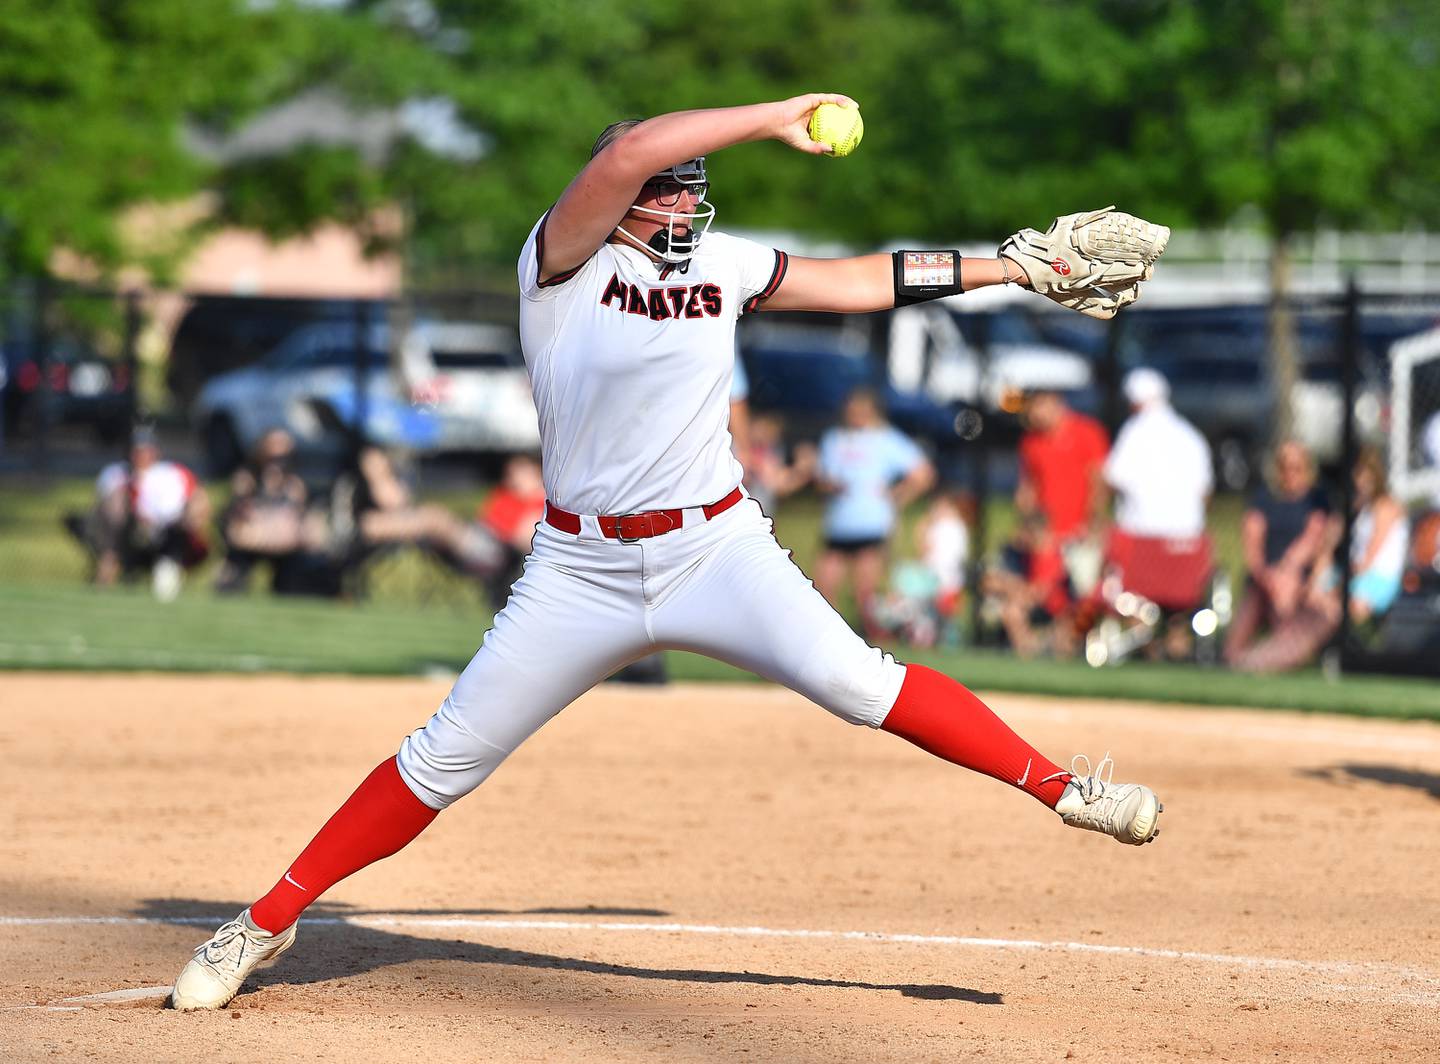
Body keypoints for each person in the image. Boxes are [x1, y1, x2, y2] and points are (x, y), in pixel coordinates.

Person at [170, 95, 1166, 1011]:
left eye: (694, 187)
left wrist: (1012, 267)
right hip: (580, 570)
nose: (687, 199)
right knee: (444, 758)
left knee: (866, 682)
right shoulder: (563, 261)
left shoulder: (722, 267)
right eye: (669, 186)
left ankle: (1067, 789)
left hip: (716, 547)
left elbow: (864, 282)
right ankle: (261, 921)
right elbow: (637, 147)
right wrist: (781, 114)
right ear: (619, 191)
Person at [813, 388, 936, 638]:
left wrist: (897, 496)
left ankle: (874, 642)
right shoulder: (834, 439)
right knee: (824, 585)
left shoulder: (886, 440)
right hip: (838, 525)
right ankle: (831, 638)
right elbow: (822, 478)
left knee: (865, 592)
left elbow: (923, 474)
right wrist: (830, 486)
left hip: (870, 525)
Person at [1223, 440, 1334, 673]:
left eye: (1297, 467)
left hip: (1298, 578)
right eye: (1285, 466)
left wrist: (1286, 571)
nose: (1291, 473)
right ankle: (1234, 659)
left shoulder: (1317, 499)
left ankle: (1267, 660)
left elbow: (1314, 538)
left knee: (1285, 599)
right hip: (1264, 577)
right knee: (1236, 638)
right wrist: (1266, 574)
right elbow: (1252, 538)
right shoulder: (1265, 498)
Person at [68, 425, 210, 600]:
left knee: (174, 541)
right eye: (136, 450)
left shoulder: (172, 473)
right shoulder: (115, 473)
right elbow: (105, 508)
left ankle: (167, 571)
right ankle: (108, 570)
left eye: (145, 450)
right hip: (124, 533)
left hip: (167, 533)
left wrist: (188, 518)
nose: (140, 455)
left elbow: (199, 500)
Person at [213, 428, 330, 594]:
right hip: (250, 544)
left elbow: (304, 519)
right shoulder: (246, 480)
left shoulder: (294, 485)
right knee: (233, 579)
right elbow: (237, 521)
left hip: (285, 547)